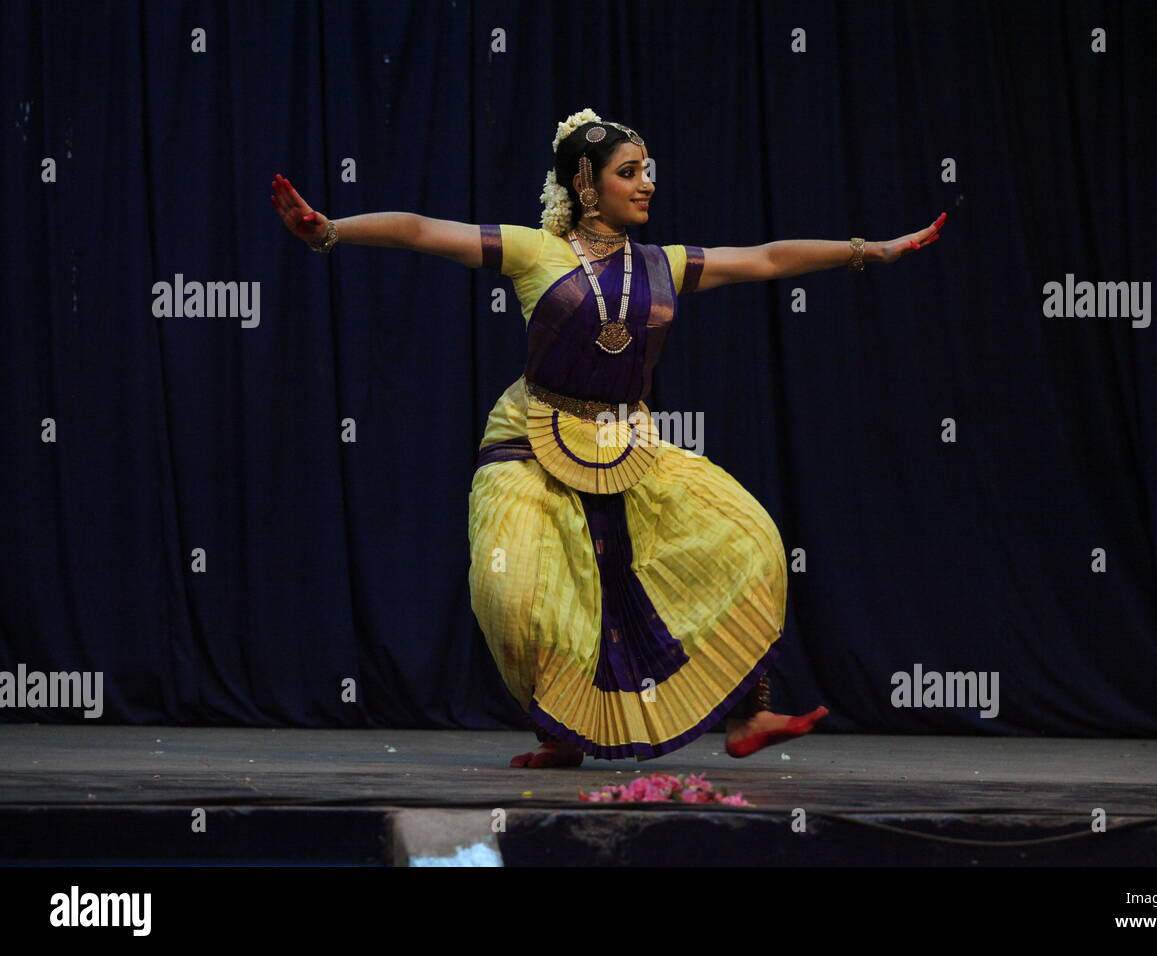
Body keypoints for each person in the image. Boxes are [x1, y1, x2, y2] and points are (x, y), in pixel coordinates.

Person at [270, 107, 946, 769]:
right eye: (630, 172)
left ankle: (750, 714)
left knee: (751, 540)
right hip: (532, 439)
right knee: (517, 594)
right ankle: (560, 731)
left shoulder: (662, 265)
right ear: (587, 186)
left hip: (624, 440)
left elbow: (766, 258)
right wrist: (330, 231)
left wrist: (871, 250)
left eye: (648, 170)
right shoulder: (538, 252)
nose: (647, 182)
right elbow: (420, 230)